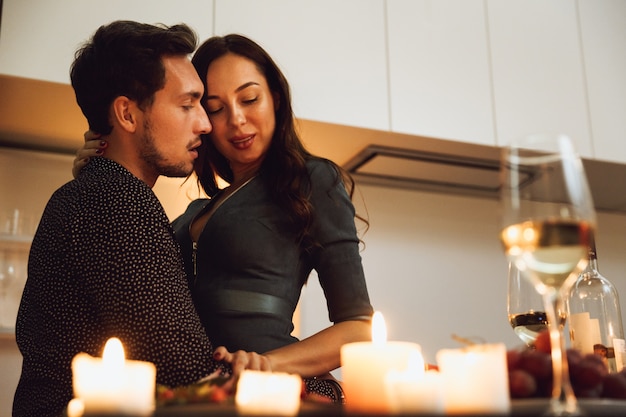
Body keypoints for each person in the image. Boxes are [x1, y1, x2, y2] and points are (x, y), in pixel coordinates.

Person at [73, 33, 374, 403]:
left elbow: (359, 329)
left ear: (275, 99)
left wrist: (268, 365)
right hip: (200, 391)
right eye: (215, 107)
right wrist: (99, 177)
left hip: (269, 390)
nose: (237, 119)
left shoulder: (313, 181)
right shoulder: (196, 210)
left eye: (249, 99)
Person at [13, 22, 274, 417]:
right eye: (188, 104)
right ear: (127, 115)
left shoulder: (92, 194)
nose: (205, 123)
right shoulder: (118, 200)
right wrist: (322, 387)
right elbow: (187, 375)